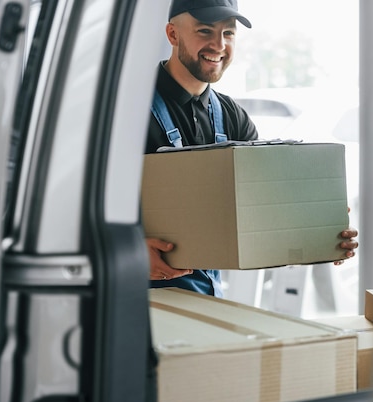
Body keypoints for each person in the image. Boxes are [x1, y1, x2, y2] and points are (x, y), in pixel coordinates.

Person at [145, 0, 358, 297]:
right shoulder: (126, 110)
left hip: (206, 298)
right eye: (205, 31)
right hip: (134, 295)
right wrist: (130, 251)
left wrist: (320, 229)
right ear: (172, 34)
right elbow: (72, 205)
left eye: (228, 34)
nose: (219, 45)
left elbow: (263, 205)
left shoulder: (233, 116)